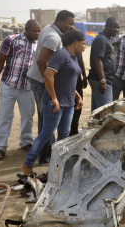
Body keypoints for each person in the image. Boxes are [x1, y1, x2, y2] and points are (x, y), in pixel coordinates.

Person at [21, 30, 85, 175]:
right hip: (55, 103)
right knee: (47, 133)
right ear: (75, 42)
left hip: (68, 103)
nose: (85, 46)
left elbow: (67, 80)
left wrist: (77, 96)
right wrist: (54, 98)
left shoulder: (74, 56)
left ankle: (59, 166)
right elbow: (48, 76)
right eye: (83, 43)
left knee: (64, 135)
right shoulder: (61, 54)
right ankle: (27, 164)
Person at [26, 10, 75, 165]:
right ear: (60, 22)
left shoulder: (51, 28)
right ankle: (45, 157)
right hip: (41, 80)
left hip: (40, 78)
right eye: (70, 23)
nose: (72, 27)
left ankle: (47, 154)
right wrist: (49, 84)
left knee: (46, 116)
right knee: (46, 117)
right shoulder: (54, 37)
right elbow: (42, 62)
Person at [0, 20, 41, 159]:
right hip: (8, 84)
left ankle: (26, 141)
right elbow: (0, 60)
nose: (38, 33)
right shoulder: (10, 40)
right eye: (35, 31)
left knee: (28, 116)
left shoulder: (39, 44)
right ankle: (0, 147)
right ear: (26, 29)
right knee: (4, 116)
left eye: (39, 31)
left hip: (28, 87)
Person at [88, 17, 119, 111]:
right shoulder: (101, 40)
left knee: (98, 112)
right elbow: (97, 60)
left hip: (105, 80)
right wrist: (102, 80)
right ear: (106, 26)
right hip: (101, 80)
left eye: (117, 27)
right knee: (106, 113)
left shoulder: (107, 39)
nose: (116, 30)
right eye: (113, 27)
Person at [69, 52, 87, 136]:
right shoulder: (65, 50)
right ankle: (68, 135)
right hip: (68, 82)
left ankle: (74, 133)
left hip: (78, 82)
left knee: (77, 109)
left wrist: (84, 76)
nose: (84, 46)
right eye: (83, 43)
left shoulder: (78, 50)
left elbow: (81, 60)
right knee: (69, 110)